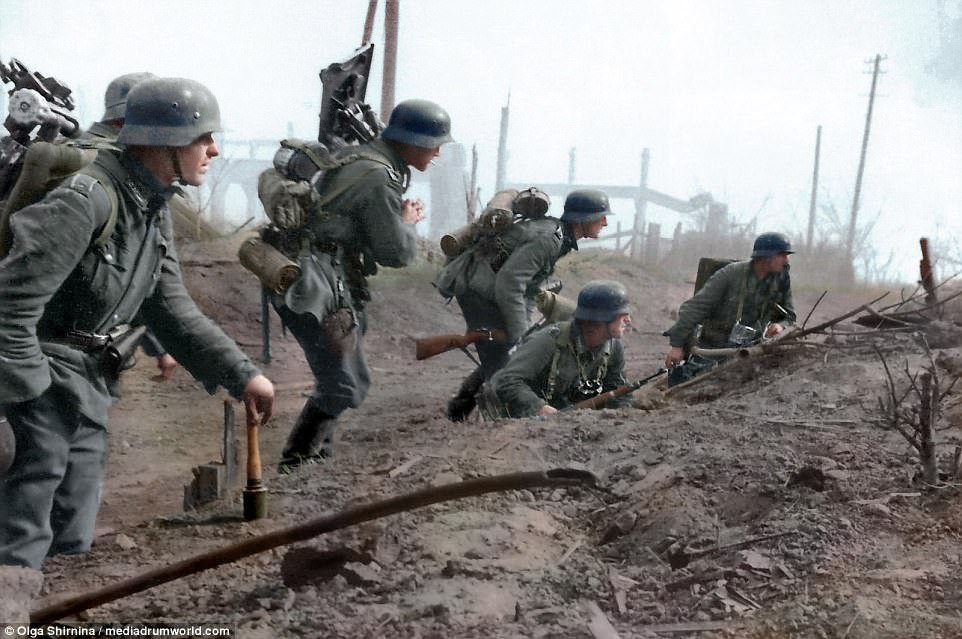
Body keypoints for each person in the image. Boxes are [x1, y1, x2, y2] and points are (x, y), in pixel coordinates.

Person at [0, 77, 274, 569]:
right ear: (162, 144)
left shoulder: (150, 206)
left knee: (73, 546)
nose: (213, 149)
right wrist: (33, 404)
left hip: (87, 390)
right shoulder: (85, 201)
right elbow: (7, 310)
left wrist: (242, 373)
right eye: (202, 137)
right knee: (19, 542)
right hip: (41, 389)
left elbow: (171, 310)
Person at [259, 98, 450, 472]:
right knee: (343, 384)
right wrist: (407, 221)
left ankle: (314, 465)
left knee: (342, 379)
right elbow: (395, 252)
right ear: (409, 143)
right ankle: (295, 468)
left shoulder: (361, 158)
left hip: (322, 277)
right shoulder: (378, 176)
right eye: (433, 144)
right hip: (314, 284)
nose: (438, 153)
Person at [440, 188, 613, 422]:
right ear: (584, 219)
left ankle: (458, 411)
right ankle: (493, 426)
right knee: (502, 359)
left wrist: (524, 331)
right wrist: (520, 335)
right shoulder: (549, 239)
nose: (604, 222)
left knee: (507, 353)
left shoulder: (558, 237)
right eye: (601, 216)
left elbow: (528, 286)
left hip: (487, 289)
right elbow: (509, 284)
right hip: (477, 291)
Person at [80, 71, 177, 382]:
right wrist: (161, 346)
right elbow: (129, 271)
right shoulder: (120, 173)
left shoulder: (74, 155)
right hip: (69, 360)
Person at [478, 280, 633, 419]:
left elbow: (617, 389)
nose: (628, 320)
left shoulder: (613, 347)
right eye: (621, 315)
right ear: (599, 320)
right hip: (512, 413)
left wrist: (624, 417)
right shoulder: (548, 341)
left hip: (559, 410)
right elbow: (509, 381)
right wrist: (539, 407)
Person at [663, 231, 797, 385]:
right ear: (766, 256)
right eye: (782, 255)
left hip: (751, 349)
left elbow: (790, 316)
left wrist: (780, 326)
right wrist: (677, 346)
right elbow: (693, 309)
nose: (786, 260)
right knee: (690, 383)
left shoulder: (781, 278)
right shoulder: (731, 274)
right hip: (714, 348)